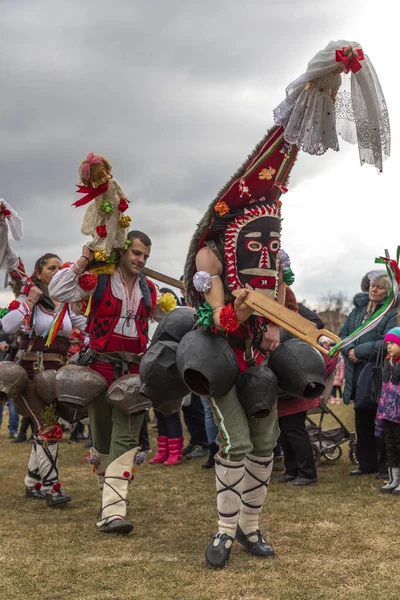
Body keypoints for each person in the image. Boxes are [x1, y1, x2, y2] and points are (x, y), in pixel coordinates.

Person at [183, 122, 300, 569]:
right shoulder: (210, 255)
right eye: (259, 242)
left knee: (265, 441)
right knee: (235, 443)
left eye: (272, 241)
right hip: (222, 357)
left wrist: (277, 323)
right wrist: (249, 308)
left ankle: (251, 527)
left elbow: (284, 299)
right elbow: (217, 318)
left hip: (258, 359)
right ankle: (225, 531)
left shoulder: (273, 257)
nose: (267, 248)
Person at [49, 230, 166, 534]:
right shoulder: (97, 278)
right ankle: (110, 497)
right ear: (122, 251)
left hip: (134, 370)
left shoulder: (150, 289)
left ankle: (113, 511)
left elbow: (171, 316)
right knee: (102, 438)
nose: (141, 260)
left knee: (127, 438)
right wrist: (86, 258)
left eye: (145, 256)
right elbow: (58, 290)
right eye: (136, 253)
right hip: (99, 366)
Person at [0, 253, 87, 505]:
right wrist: (29, 301)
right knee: (48, 427)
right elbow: (7, 324)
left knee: (45, 426)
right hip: (29, 374)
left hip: (57, 375)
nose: (57, 271)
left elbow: (87, 325)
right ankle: (52, 488)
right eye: (52, 268)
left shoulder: (66, 303)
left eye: (61, 267)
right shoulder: (28, 298)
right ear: (38, 273)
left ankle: (31, 482)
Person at [273, 40, 390, 171]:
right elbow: (313, 76)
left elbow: (335, 89)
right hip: (312, 94)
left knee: (317, 119)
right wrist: (309, 84)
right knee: (303, 113)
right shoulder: (323, 72)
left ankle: (309, 136)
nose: (340, 70)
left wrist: (333, 97)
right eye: (339, 67)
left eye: (342, 69)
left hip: (324, 101)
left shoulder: (337, 79)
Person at [340, 273, 398, 476]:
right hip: (356, 371)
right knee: (361, 417)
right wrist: (348, 350)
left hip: (377, 371)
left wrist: (360, 351)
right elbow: (343, 334)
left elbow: (388, 341)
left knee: (380, 420)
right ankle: (366, 464)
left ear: (388, 292)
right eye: (373, 286)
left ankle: (384, 466)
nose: (374, 290)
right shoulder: (357, 310)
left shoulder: (392, 313)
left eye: (380, 288)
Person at [376, 328, 400, 494]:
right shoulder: (387, 363)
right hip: (387, 413)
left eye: (392, 343)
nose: (389, 346)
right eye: (387, 344)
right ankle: (394, 479)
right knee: (390, 444)